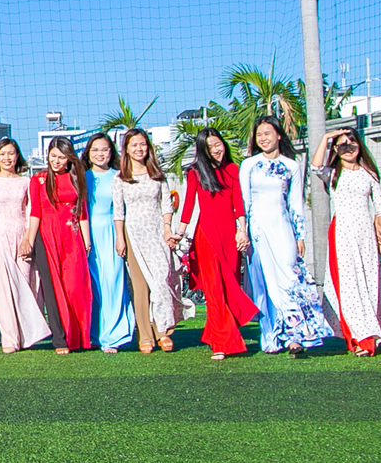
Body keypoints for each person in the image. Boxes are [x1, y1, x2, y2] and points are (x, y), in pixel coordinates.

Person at [239, 117, 333, 357]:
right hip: (257, 231)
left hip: (283, 229)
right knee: (264, 283)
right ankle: (270, 337)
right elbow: (243, 202)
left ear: (279, 135)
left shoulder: (291, 166)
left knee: (290, 279)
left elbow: (295, 204)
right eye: (259, 134)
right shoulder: (249, 165)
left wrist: (300, 236)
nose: (263, 138)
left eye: (268, 133)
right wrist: (243, 231)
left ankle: (295, 336)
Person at [174, 127, 256, 359]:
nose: (215, 150)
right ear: (202, 150)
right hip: (207, 236)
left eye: (217, 144)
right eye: (209, 147)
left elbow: (238, 202)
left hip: (230, 235)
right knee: (214, 289)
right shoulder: (195, 173)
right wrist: (180, 232)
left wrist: (242, 230)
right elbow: (188, 205)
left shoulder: (232, 169)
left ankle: (216, 333)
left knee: (230, 285)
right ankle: (222, 342)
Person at [312, 129, 381, 356]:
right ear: (336, 150)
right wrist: (326, 138)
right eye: (342, 145)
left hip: (366, 236)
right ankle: (360, 338)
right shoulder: (333, 174)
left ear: (360, 147)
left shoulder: (369, 175)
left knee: (368, 283)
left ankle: (369, 331)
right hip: (342, 234)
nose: (348, 148)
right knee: (348, 285)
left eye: (352, 143)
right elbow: (315, 167)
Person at [0, 139, 50, 353]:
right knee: (3, 289)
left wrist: (29, 239)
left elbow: (31, 212)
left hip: (21, 236)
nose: (7, 158)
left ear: (17, 156)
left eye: (11, 153)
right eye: (2, 154)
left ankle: (27, 333)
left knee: (25, 283)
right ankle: (9, 338)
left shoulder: (26, 181)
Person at [115, 129, 178, 353]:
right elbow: (119, 211)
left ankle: (163, 330)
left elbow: (166, 204)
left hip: (157, 233)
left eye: (142, 144)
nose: (139, 149)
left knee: (161, 280)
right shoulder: (120, 178)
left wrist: (167, 228)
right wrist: (120, 238)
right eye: (134, 145)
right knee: (140, 286)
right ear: (126, 149)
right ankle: (145, 335)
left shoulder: (158, 175)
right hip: (134, 234)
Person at [29, 135, 92, 354]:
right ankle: (60, 338)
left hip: (72, 237)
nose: (56, 161)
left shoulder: (77, 178)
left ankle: (80, 335)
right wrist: (29, 241)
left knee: (75, 286)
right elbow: (35, 213)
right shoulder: (38, 179)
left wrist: (87, 242)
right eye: (53, 156)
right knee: (52, 288)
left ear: (69, 158)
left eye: (62, 157)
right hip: (46, 237)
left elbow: (82, 212)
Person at [84, 133, 134, 352]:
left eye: (104, 149)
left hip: (112, 234)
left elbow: (123, 210)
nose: (100, 154)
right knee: (93, 285)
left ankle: (113, 336)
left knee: (113, 282)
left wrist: (120, 237)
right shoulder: (81, 177)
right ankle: (95, 333)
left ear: (111, 152)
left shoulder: (119, 176)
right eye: (95, 150)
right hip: (87, 235)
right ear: (88, 152)